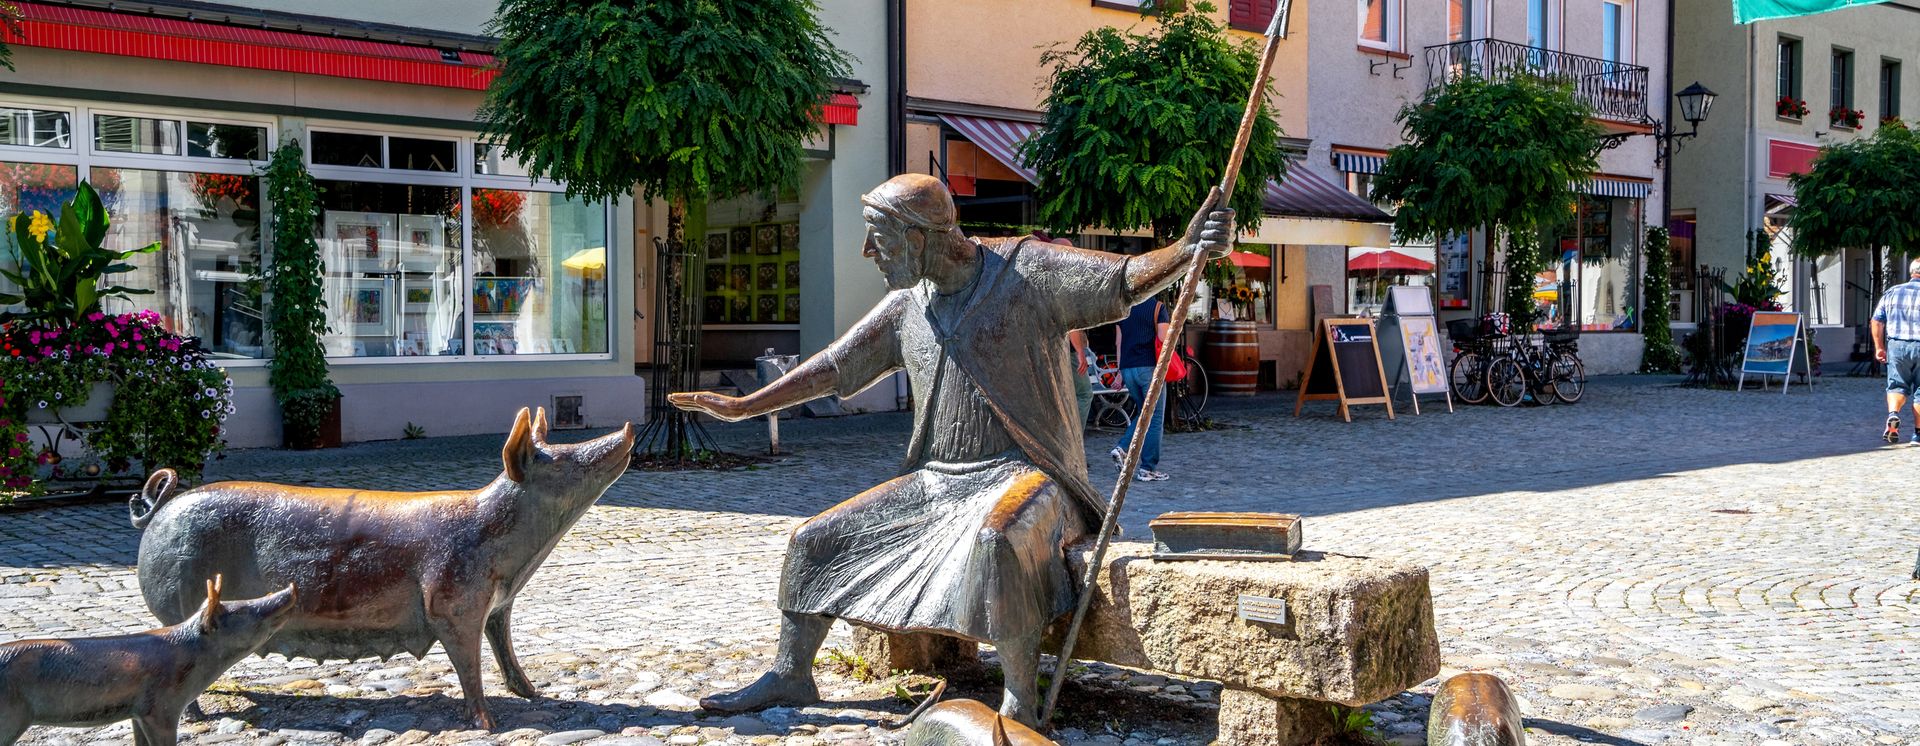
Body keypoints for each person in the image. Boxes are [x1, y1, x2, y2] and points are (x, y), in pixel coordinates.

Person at [667, 173, 1233, 726]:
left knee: (997, 540)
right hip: (938, 484)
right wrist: (747, 406)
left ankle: (1019, 700)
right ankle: (792, 672)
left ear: (919, 237)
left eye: (879, 238)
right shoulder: (908, 304)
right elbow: (834, 367)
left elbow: (1124, 279)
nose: (868, 251)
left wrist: (1188, 249)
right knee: (812, 539)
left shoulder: (1028, 270)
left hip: (1034, 478)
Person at [1108, 297, 1171, 481]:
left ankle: (1128, 452)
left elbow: (1119, 343)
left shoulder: (1124, 310)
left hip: (1128, 369)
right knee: (1154, 415)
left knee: (1145, 413)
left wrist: (1120, 373)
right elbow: (1163, 339)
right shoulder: (1158, 308)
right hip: (1149, 368)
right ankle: (1145, 466)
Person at [1872, 257, 1920, 443]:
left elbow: (1877, 320)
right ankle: (1917, 433)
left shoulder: (1893, 292)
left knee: (1896, 385)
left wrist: (1879, 347)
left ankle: (1893, 414)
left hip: (1897, 345)